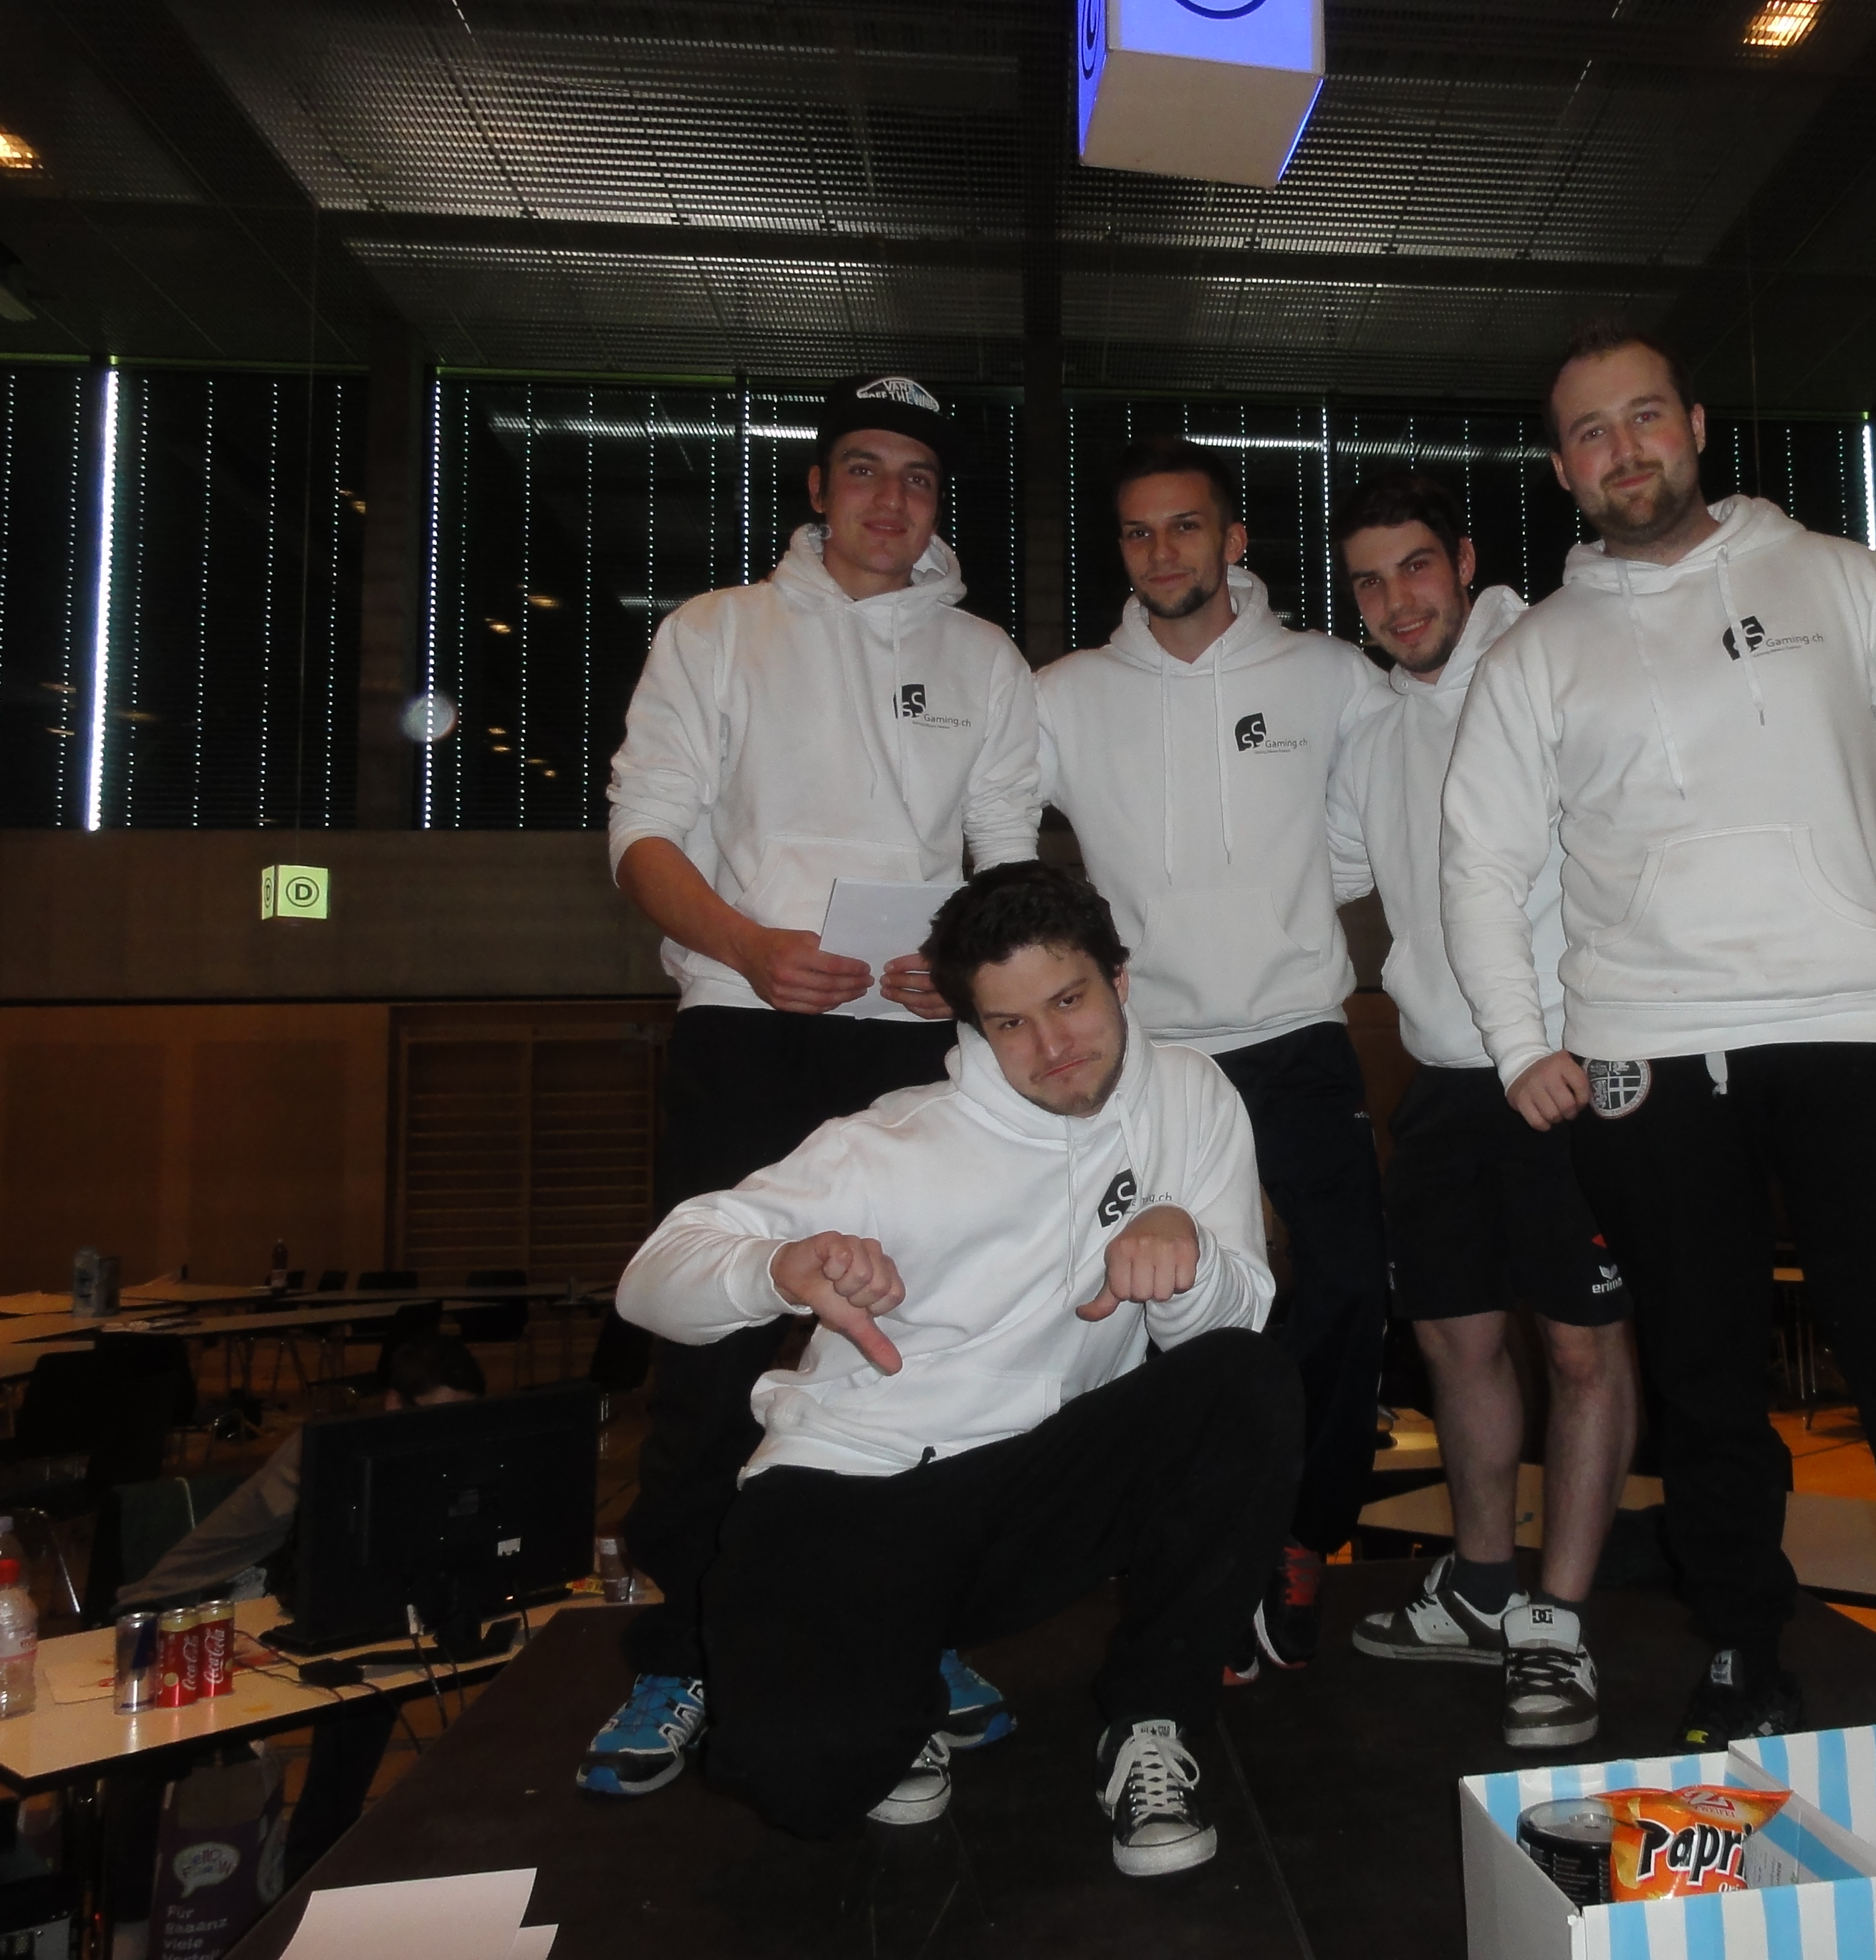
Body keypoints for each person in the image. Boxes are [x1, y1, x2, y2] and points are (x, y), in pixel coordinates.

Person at [1440, 320, 1876, 1747]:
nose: (1623, 450)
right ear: (1561, 467)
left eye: (1644, 415)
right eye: (1590, 432)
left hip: (1861, 1032)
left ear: (1697, 425)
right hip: (1646, 1053)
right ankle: (1738, 1649)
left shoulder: (1843, 579)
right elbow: (1479, 859)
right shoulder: (1534, 653)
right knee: (1705, 1385)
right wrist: (1523, 1041)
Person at [615, 864, 1297, 1873]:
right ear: (975, 1027)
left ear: (1118, 979)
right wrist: (777, 1268)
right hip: (854, 1489)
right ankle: (898, 1684)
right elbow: (651, 1280)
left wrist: (1185, 1254)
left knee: (1245, 1382)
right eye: (1011, 1023)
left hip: (1033, 1491)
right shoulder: (886, 1143)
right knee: (801, 1784)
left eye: (1069, 1000)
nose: (1053, 1047)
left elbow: (1235, 1321)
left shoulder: (1190, 1094)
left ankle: (1154, 1718)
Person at [587, 374, 1042, 1799]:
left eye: (917, 476)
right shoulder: (717, 632)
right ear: (816, 489)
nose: (889, 499)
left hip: (916, 1048)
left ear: (937, 503)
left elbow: (1006, 856)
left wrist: (961, 966)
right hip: (747, 1028)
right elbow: (643, 834)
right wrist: (745, 944)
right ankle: (679, 1655)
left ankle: (911, 1633)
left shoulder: (985, 659)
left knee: (925, 1343)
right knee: (716, 1352)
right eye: (863, 469)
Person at [1033, 436, 1391, 1677]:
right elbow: (988, 820)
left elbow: (1372, 831)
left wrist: (1276, 900)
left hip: (1296, 1034)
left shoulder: (1329, 674)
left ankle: (1297, 1534)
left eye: (1185, 526)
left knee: (1343, 1284)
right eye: (1138, 533)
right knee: (1148, 1305)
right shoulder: (1066, 693)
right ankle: (1183, 1548)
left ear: (1233, 541)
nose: (1161, 551)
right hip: (1148, 1059)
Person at [1324, 472, 1637, 1750]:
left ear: (1462, 561)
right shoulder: (1372, 736)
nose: (1396, 599)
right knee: (1457, 1347)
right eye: (1368, 580)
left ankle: (1558, 1619)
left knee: (1580, 1351)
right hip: (1447, 1080)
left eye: (1415, 566)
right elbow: (1319, 874)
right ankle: (1484, 1588)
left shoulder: (1551, 663)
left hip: (1569, 1066)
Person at [114, 1337, 486, 1880]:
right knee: (363, 1680)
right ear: (393, 1404)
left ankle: (316, 1855)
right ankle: (297, 1855)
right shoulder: (322, 1450)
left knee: (373, 1681)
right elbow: (330, 1545)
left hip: (274, 1599)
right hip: (190, 1603)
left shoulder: (411, 1452)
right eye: (435, 1417)